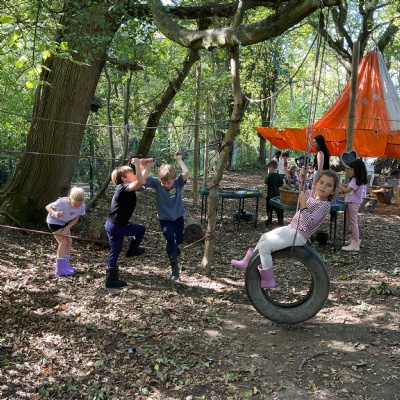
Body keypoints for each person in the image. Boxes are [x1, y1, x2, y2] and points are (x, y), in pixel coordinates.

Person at [231, 170, 339, 289]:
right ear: (316, 183)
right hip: (291, 228)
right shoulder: (311, 194)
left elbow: (310, 222)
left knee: (265, 247)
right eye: (321, 182)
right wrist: (301, 177)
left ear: (332, 191)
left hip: (299, 235)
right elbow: (300, 189)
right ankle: (247, 262)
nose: (323, 186)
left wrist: (303, 205)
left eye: (328, 185)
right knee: (264, 237)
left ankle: (268, 280)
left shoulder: (324, 206)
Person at [104, 158, 153, 288]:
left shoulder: (127, 188)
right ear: (124, 178)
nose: (134, 174)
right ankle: (132, 250)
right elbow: (139, 181)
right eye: (131, 173)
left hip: (112, 224)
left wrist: (146, 166)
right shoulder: (121, 187)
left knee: (115, 250)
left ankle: (110, 278)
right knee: (140, 229)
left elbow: (140, 181)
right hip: (116, 226)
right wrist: (137, 164)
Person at [145, 152, 190, 281]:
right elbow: (142, 180)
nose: (166, 185)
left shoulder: (178, 182)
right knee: (170, 238)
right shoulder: (156, 182)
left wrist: (179, 160)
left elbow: (186, 172)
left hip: (178, 216)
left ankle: (174, 249)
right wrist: (148, 166)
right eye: (163, 182)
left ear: (174, 178)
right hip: (164, 218)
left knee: (179, 239)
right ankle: (175, 269)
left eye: (168, 182)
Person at [46, 186, 86, 276]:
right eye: (75, 205)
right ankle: (59, 269)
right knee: (63, 242)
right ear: (70, 199)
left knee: (69, 241)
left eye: (79, 205)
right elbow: (48, 207)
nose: (77, 207)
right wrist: (55, 213)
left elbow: (76, 218)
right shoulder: (62, 202)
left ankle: (66, 265)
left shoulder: (82, 205)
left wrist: (67, 228)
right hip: (54, 222)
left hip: (65, 223)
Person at [338, 159, 368, 251]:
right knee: (352, 222)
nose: (350, 171)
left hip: (353, 202)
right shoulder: (355, 179)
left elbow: (346, 190)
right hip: (352, 202)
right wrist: (340, 183)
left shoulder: (356, 180)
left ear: (357, 170)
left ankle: (355, 242)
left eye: (352, 169)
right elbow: (346, 186)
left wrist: (337, 183)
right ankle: (353, 239)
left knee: (353, 222)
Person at [264, 160, 284, 227]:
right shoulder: (280, 176)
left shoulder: (268, 176)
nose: (268, 170)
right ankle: (280, 220)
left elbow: (266, 185)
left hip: (270, 196)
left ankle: (269, 220)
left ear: (271, 168)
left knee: (269, 209)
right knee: (279, 209)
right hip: (278, 195)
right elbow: (281, 186)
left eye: (269, 168)